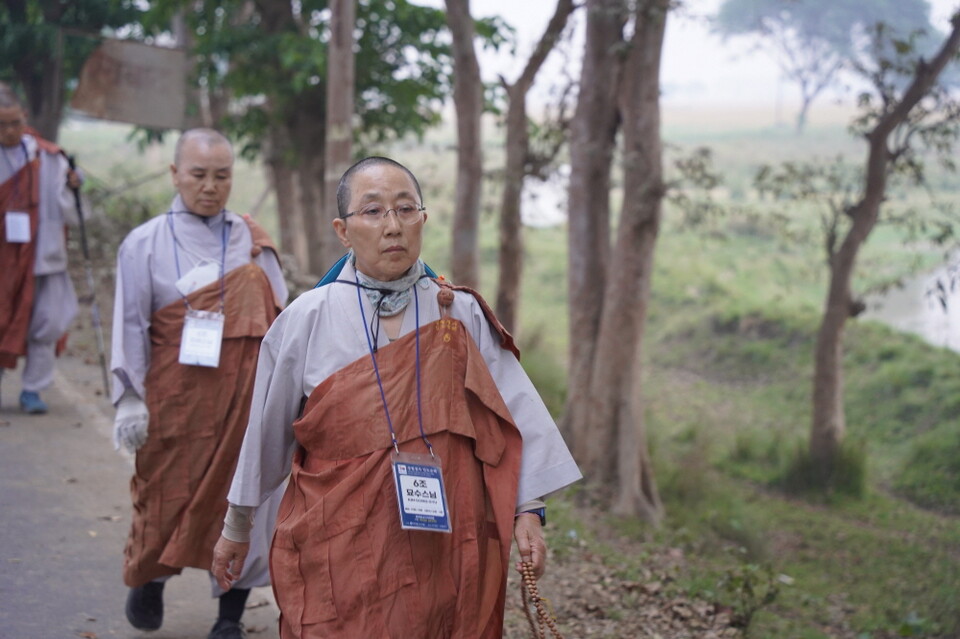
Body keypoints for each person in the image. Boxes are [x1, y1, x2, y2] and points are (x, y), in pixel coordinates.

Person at [211, 156, 582, 638]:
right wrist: (237, 527)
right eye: (373, 212)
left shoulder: (459, 314)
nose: (393, 227)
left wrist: (529, 512)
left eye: (406, 210)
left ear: (423, 220)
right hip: (338, 537)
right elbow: (265, 434)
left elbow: (512, 415)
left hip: (442, 540)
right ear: (343, 231)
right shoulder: (308, 319)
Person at [110, 128, 289, 639]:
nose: (210, 186)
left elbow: (282, 326)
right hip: (175, 398)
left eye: (222, 176)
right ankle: (150, 577)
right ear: (175, 174)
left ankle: (228, 616)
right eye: (198, 175)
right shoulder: (143, 244)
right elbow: (128, 325)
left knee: (245, 500)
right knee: (163, 496)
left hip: (245, 401)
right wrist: (129, 400)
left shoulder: (254, 244)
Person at [0, 85, 82, 414]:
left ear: (25, 118)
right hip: (3, 260)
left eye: (14, 123)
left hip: (43, 257)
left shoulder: (48, 157)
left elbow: (71, 210)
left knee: (47, 322)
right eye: (0, 124)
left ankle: (33, 389)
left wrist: (75, 185)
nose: (8, 131)